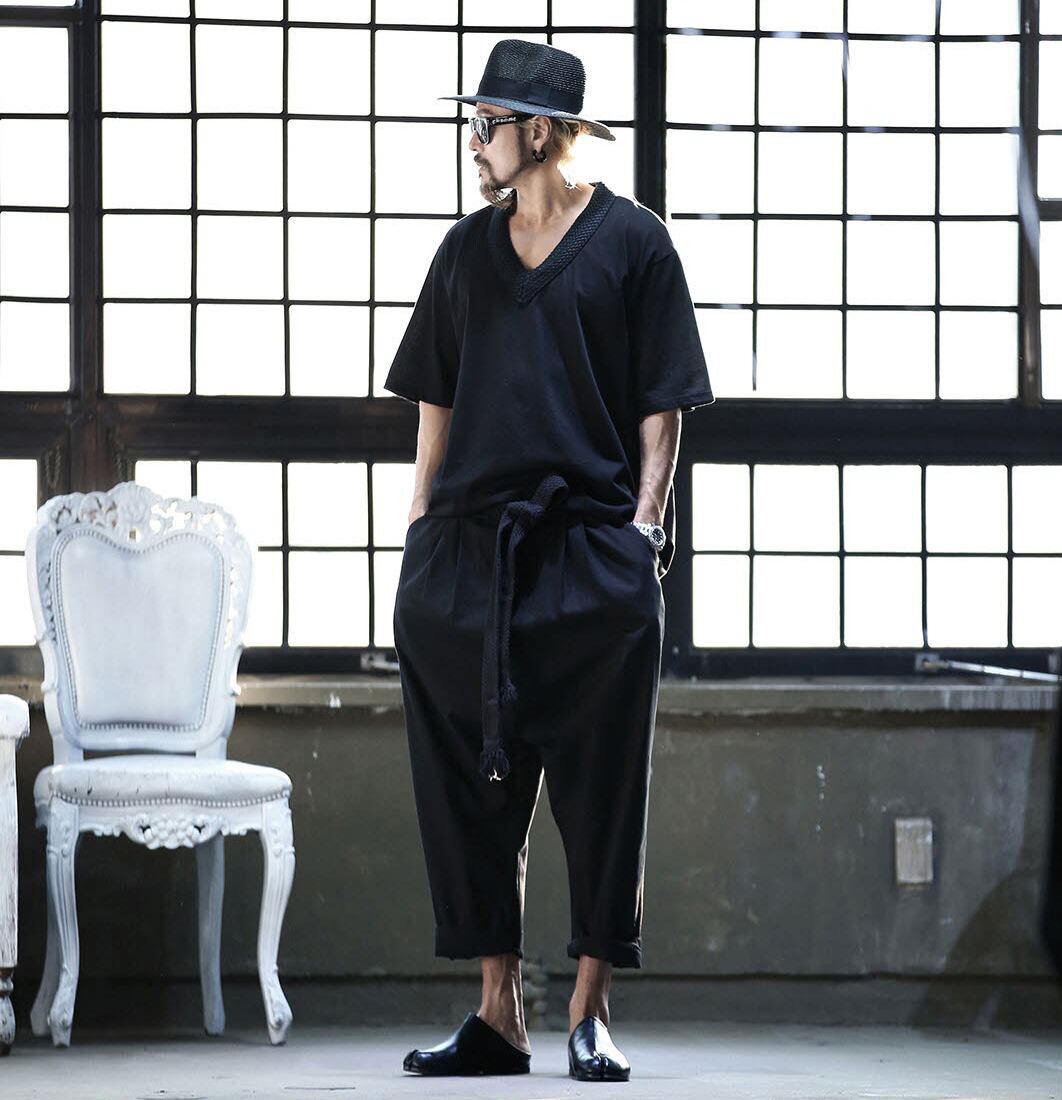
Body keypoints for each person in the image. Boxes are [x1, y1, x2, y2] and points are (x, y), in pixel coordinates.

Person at [385, 39, 714, 1082]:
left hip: (591, 555)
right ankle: (497, 1014)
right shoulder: (463, 253)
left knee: (601, 787)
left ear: (537, 132)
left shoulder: (635, 244)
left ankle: (588, 1009)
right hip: (467, 558)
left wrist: (642, 531)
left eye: (484, 125)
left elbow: (663, 404)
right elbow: (435, 400)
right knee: (468, 789)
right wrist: (419, 531)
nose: (471, 143)